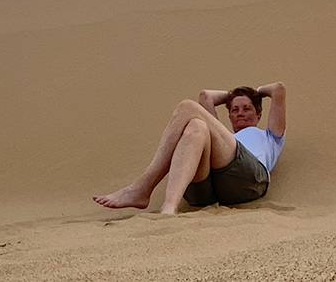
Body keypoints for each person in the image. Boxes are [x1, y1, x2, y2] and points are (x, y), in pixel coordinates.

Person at [93, 82, 286, 214]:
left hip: (250, 180)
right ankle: (169, 208)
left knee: (187, 106)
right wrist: (234, 95)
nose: (240, 113)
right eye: (234, 110)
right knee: (197, 126)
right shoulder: (225, 139)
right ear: (229, 117)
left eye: (247, 108)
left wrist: (254, 92)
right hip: (210, 190)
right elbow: (205, 96)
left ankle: (142, 188)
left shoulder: (270, 136)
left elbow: (278, 89)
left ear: (259, 114)